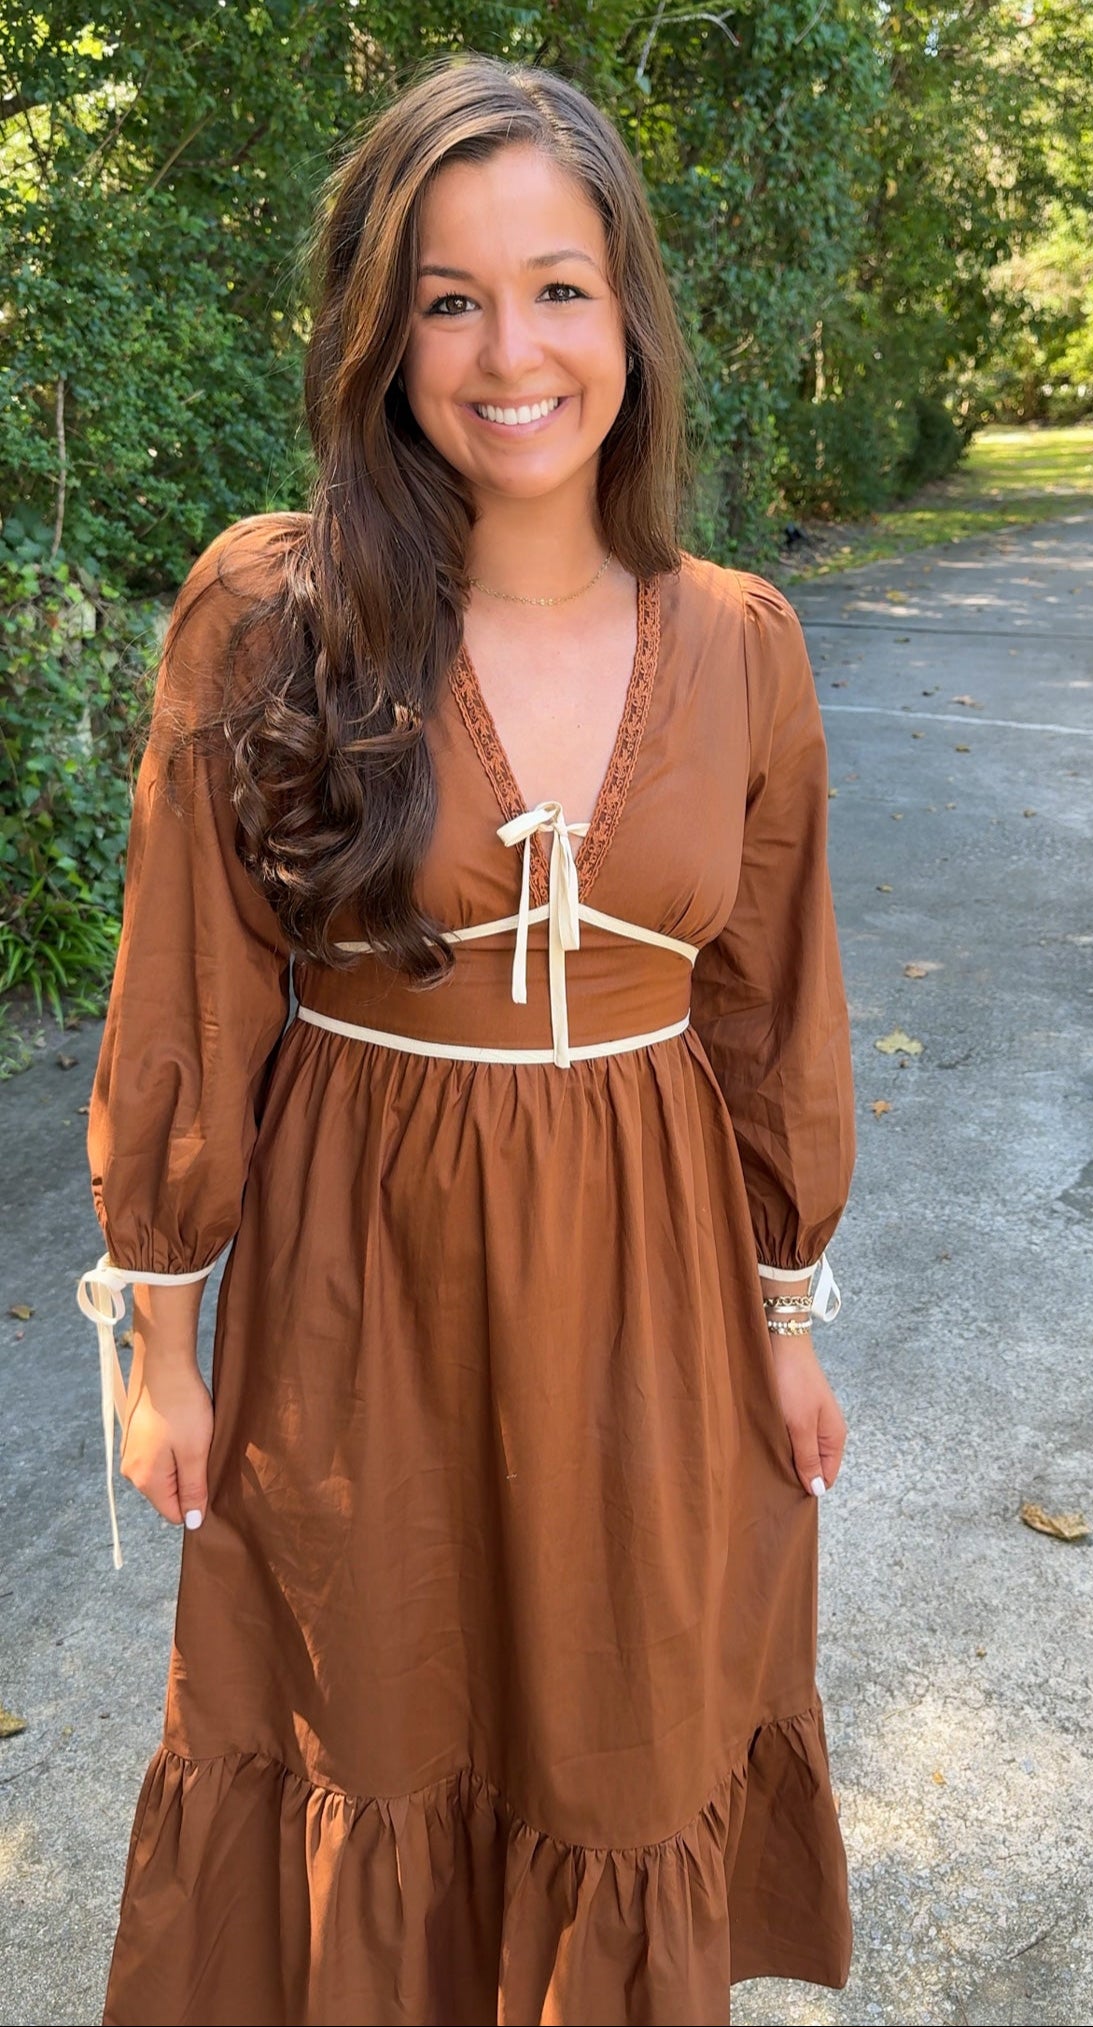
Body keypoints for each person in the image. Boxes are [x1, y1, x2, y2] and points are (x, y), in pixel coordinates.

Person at [76, 51, 856, 2027]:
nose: (513, 348)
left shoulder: (745, 639)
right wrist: (161, 1349)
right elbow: (193, 991)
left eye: (561, 286)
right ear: (383, 333)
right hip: (369, 1285)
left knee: (616, 1730)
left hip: (659, 1289)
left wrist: (784, 1326)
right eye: (450, 295)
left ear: (630, 318)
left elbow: (772, 1013)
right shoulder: (275, 615)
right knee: (374, 1704)